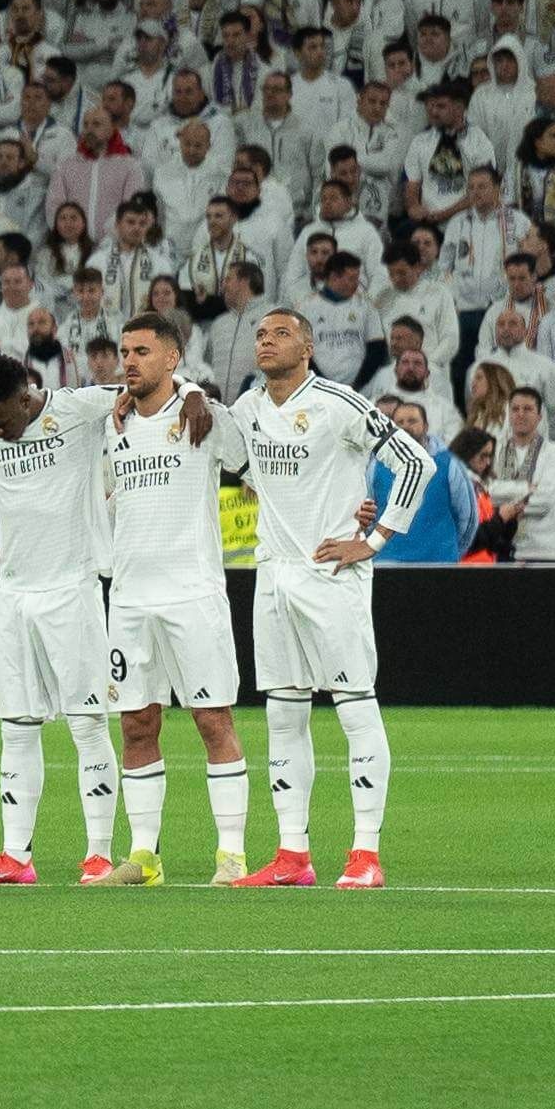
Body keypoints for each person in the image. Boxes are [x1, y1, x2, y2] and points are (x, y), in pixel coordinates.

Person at [224, 308, 387, 888]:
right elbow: (227, 460)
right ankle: (293, 856)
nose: (266, 341)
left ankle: (365, 854)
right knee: (283, 714)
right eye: (261, 335)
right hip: (273, 575)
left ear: (309, 346)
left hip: (330, 577)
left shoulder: (339, 403)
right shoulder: (246, 410)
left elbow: (411, 460)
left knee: (354, 705)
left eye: (281, 334)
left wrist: (372, 538)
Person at [0, 352, 121, 885]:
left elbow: (146, 387)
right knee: (16, 727)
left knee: (88, 724)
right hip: (13, 593)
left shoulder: (80, 408)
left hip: (73, 589)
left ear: (27, 397)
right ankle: (15, 856)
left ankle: (98, 853)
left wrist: (187, 395)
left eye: (2, 421)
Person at [98, 313, 253, 886]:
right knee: (137, 723)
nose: (129, 361)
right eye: (124, 351)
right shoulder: (110, 425)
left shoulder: (203, 416)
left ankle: (231, 854)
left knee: (213, 719)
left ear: (172, 359)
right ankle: (144, 857)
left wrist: (196, 393)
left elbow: (251, 466)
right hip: (130, 597)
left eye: (142, 351)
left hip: (193, 594)